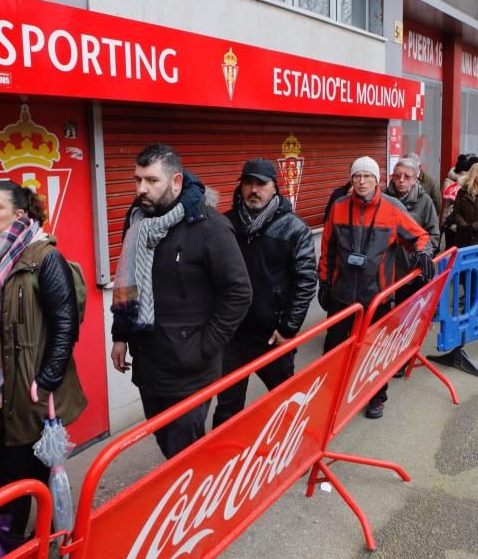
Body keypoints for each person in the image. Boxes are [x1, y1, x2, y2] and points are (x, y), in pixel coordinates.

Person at [0, 180, 87, 535]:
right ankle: (42, 536)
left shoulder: (43, 257)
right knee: (25, 473)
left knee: (12, 481)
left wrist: (45, 382)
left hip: (29, 393)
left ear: (19, 215)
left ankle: (15, 550)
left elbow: (65, 324)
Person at [110, 144, 252, 458]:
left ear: (176, 182)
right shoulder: (135, 221)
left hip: (191, 369)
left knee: (184, 453)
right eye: (137, 180)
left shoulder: (208, 225)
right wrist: (120, 335)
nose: (141, 189)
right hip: (148, 362)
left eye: (151, 181)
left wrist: (204, 345)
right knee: (167, 444)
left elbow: (239, 292)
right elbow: (127, 282)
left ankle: (199, 501)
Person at [319, 156, 434, 420]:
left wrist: (423, 253)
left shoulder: (392, 209)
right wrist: (324, 280)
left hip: (376, 297)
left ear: (377, 180)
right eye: (357, 176)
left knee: (373, 352)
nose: (361, 181)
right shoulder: (338, 206)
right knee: (334, 352)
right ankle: (329, 400)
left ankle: (376, 397)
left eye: (367, 176)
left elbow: (420, 235)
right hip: (341, 295)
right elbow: (327, 247)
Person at [212, 159, 316, 429]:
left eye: (261, 183)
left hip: (273, 336)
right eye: (248, 183)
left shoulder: (294, 228)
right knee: (227, 409)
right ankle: (224, 462)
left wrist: (288, 328)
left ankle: (291, 453)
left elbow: (306, 281)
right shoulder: (225, 224)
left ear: (275, 188)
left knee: (286, 402)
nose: (254, 189)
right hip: (232, 337)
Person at [385, 156, 440, 252]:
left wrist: (422, 256)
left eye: (407, 176)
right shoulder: (383, 198)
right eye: (397, 176)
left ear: (415, 179)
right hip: (385, 261)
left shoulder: (424, 201)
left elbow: (433, 234)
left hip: (413, 261)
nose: (401, 180)